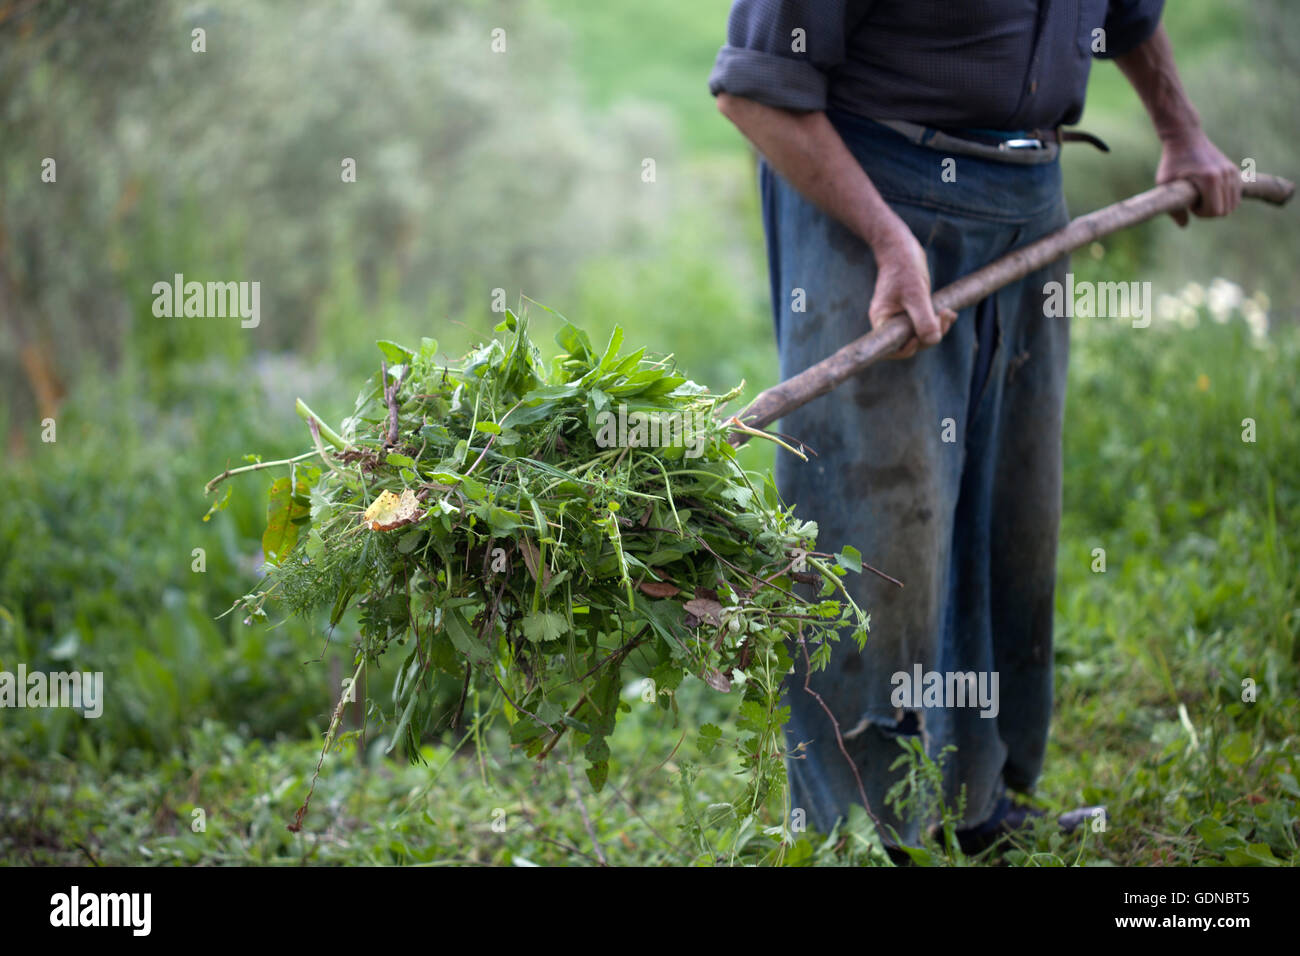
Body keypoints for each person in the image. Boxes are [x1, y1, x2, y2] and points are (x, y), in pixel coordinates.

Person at [708, 0, 1242, 853]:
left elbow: (1127, 11)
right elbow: (755, 92)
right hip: (868, 187)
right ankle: (858, 836)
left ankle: (978, 808)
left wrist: (1183, 130)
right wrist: (887, 237)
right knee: (873, 529)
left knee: (1012, 515)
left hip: (1032, 195)